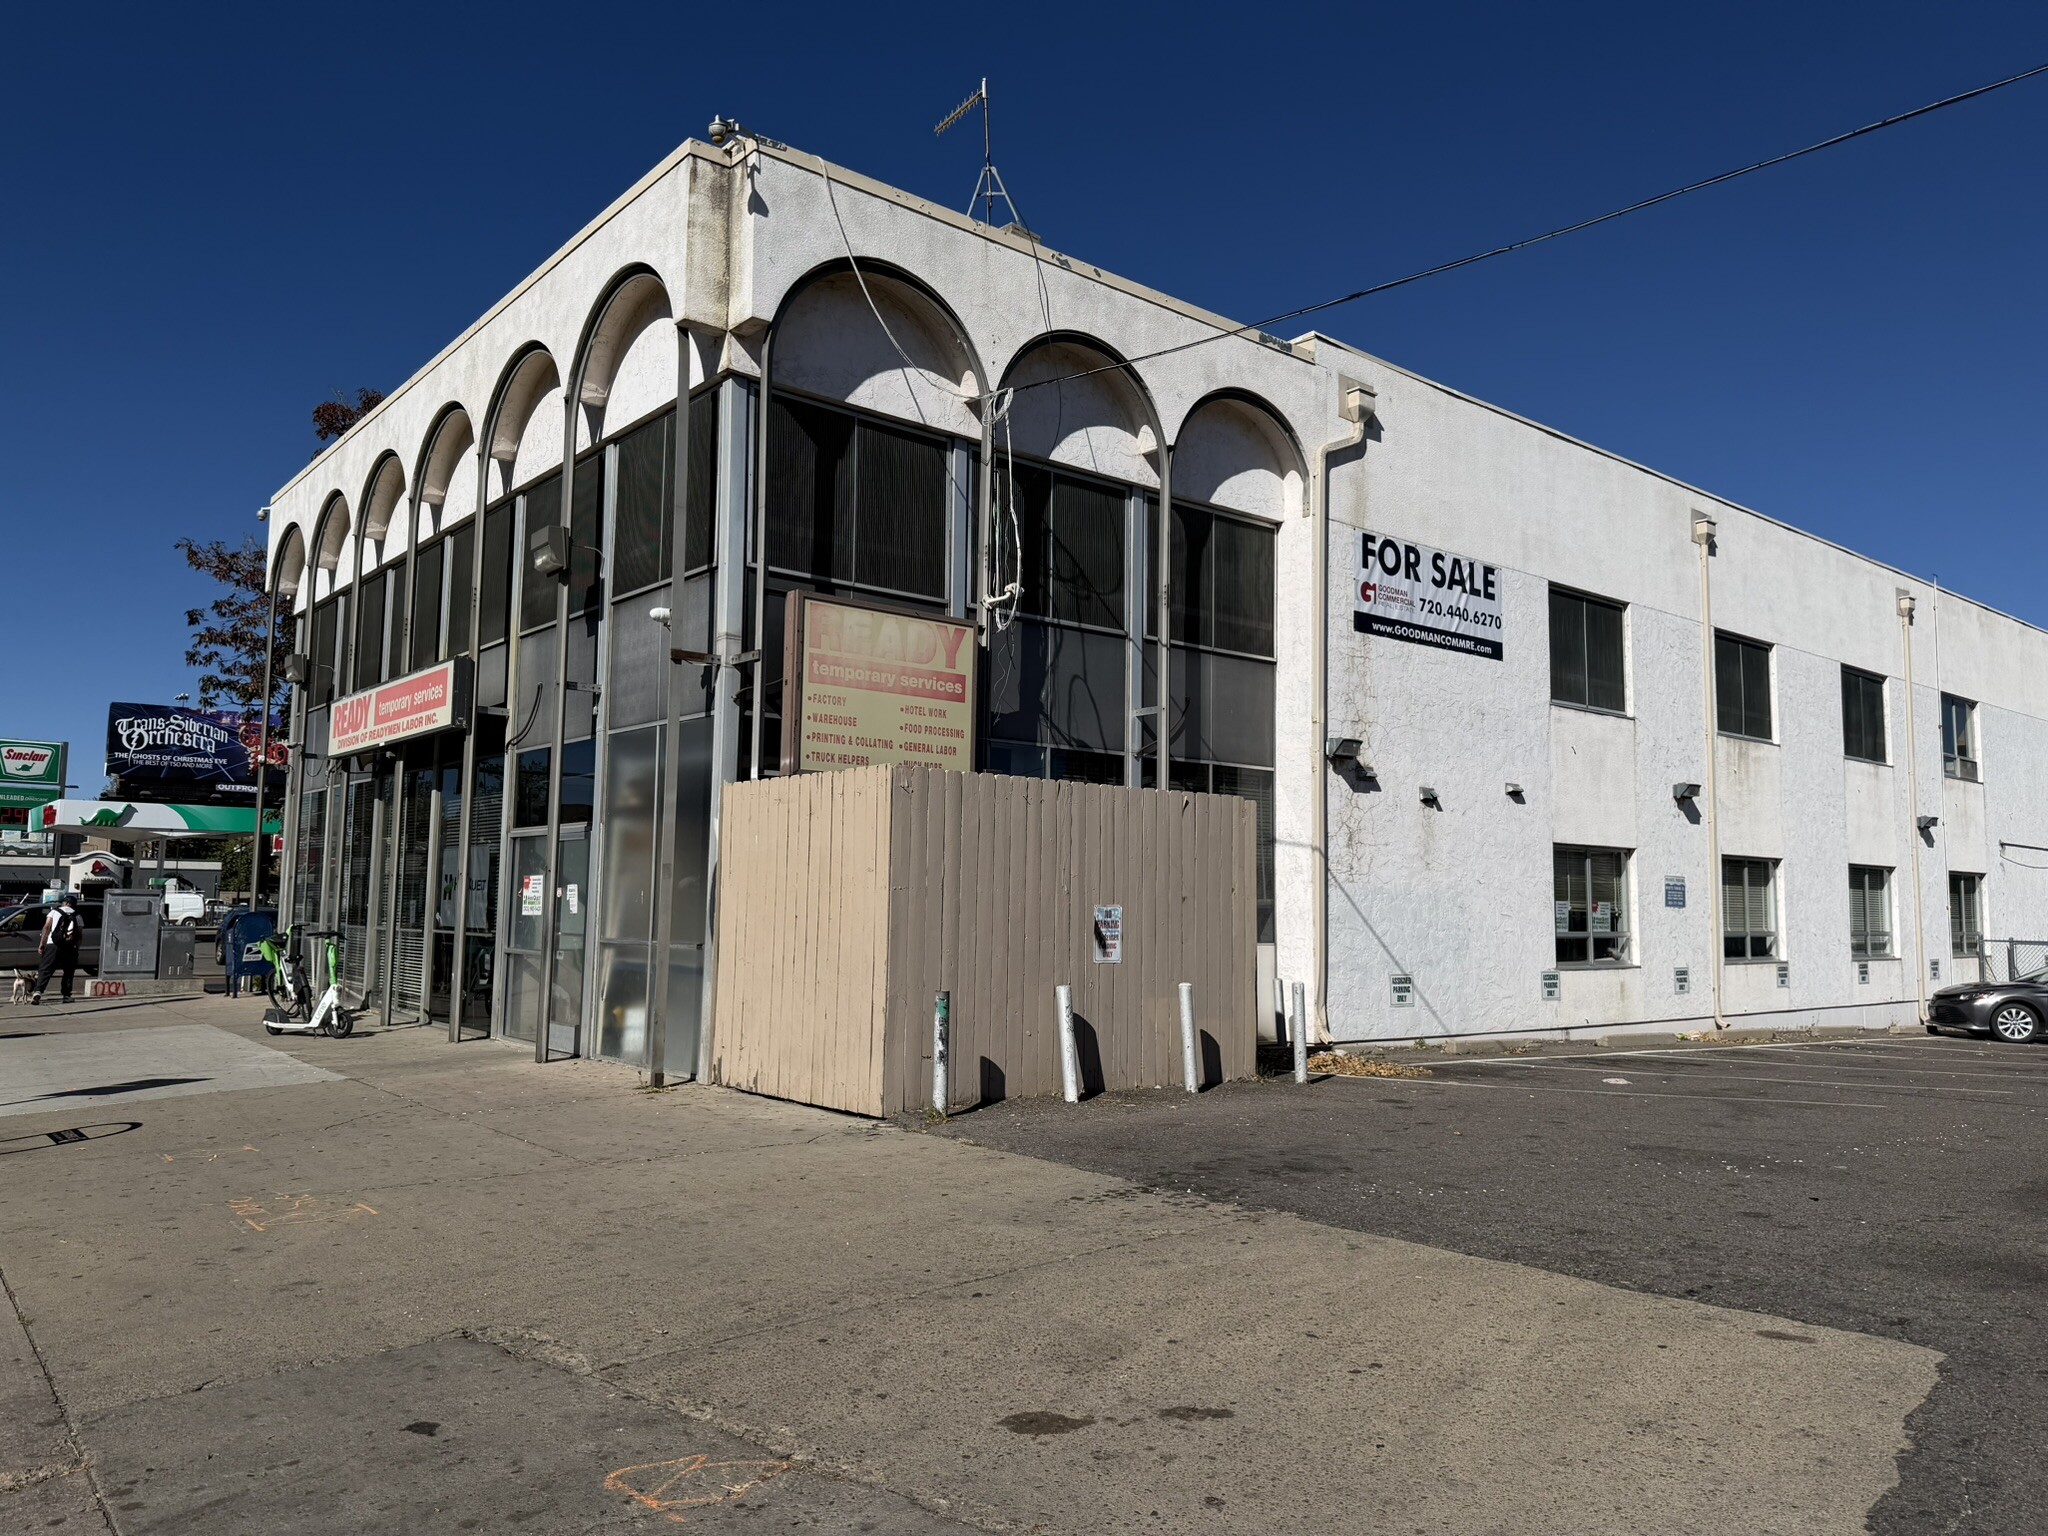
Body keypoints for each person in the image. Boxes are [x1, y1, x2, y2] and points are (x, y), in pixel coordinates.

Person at [31, 896, 82, 1005]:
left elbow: (46, 927)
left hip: (53, 944)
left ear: (65, 903)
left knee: (45, 969)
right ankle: (66, 995)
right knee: (68, 971)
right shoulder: (77, 915)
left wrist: (42, 943)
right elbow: (79, 934)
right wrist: (76, 948)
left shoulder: (54, 912)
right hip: (69, 946)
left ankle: (38, 992)